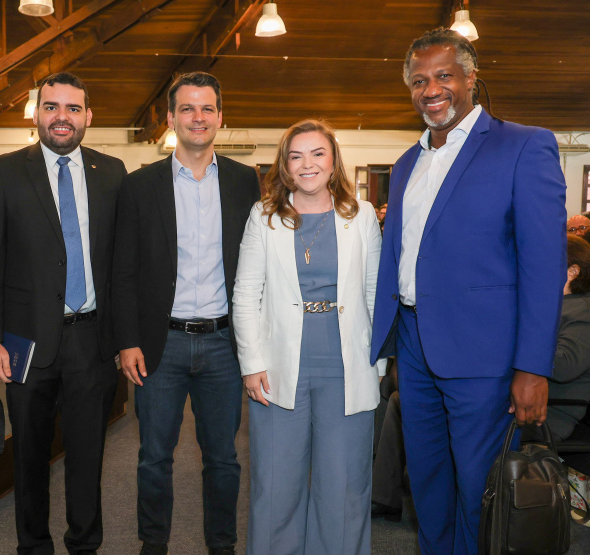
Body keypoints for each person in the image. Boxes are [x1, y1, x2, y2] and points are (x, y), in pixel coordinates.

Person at [370, 28, 567, 555]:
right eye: (418, 80)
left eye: (442, 75)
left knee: (481, 492)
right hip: (413, 346)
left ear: (471, 78)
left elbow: (545, 267)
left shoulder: (524, 145)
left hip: (486, 354)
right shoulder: (408, 162)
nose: (430, 89)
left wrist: (533, 368)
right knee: (428, 487)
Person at [0, 72, 127, 555]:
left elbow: (122, 264)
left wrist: (126, 337)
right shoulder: (3, 170)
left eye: (73, 108)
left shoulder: (113, 171)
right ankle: (33, 546)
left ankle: (85, 545)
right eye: (52, 107)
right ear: (37, 113)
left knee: (88, 457)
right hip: (24, 342)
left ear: (88, 116)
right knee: (30, 458)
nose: (62, 117)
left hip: (93, 341)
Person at [112, 71, 260, 555]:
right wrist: (127, 340)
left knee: (224, 459)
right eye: (188, 108)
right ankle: (152, 545)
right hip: (160, 344)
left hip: (222, 343)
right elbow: (124, 271)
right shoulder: (140, 186)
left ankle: (223, 545)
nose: (198, 117)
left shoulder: (244, 181)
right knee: (154, 457)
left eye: (207, 108)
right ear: (171, 117)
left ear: (221, 116)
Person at [232, 119, 383, 554]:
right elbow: (245, 294)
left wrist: (379, 363)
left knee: (344, 490)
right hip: (279, 370)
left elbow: (373, 292)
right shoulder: (264, 217)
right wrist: (251, 363)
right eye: (296, 156)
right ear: (285, 165)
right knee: (276, 488)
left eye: (318, 153)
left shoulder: (363, 215)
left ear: (333, 160)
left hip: (347, 367)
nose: (308, 163)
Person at [546, 235, 590, 442]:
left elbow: (564, 366)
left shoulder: (583, 311)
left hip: (549, 417)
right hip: (528, 406)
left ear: (572, 272)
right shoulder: (560, 306)